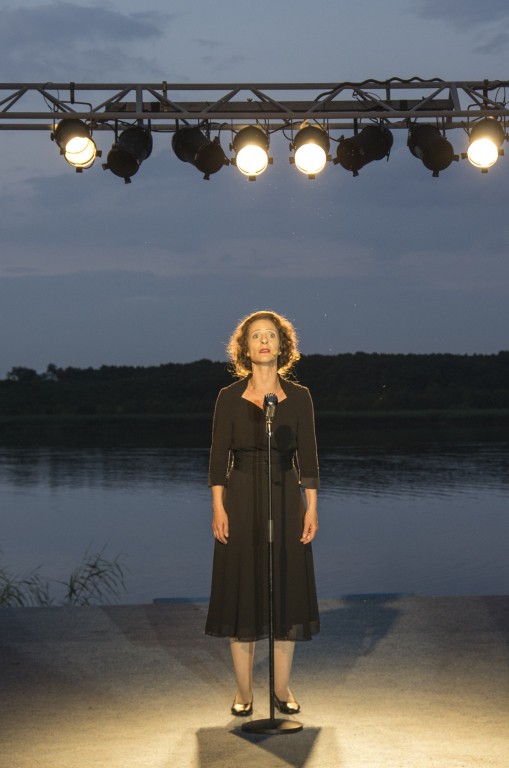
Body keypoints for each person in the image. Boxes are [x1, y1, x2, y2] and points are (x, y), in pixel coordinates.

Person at [205, 310, 320, 717]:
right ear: (246, 348)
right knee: (243, 591)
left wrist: (312, 509)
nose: (264, 341)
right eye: (256, 336)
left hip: (286, 496)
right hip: (240, 496)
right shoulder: (229, 397)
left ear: (282, 346)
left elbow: (308, 459)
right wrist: (218, 507)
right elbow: (219, 458)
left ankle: (282, 688)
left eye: (271, 335)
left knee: (284, 591)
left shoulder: (300, 397)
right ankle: (243, 692)